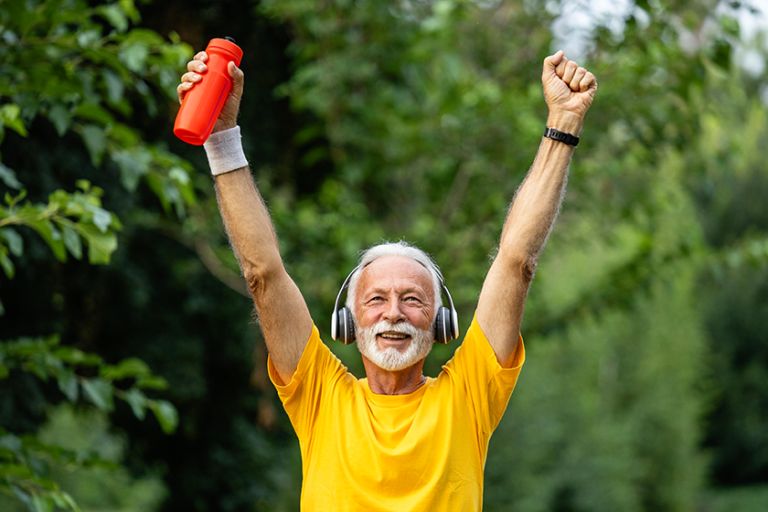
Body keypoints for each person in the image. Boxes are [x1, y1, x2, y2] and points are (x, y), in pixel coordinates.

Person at [177, 47, 597, 511]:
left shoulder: (468, 395)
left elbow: (516, 260)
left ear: (440, 323)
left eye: (412, 299)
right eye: (376, 298)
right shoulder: (320, 395)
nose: (393, 312)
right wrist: (221, 138)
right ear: (348, 320)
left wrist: (564, 122)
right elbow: (263, 274)